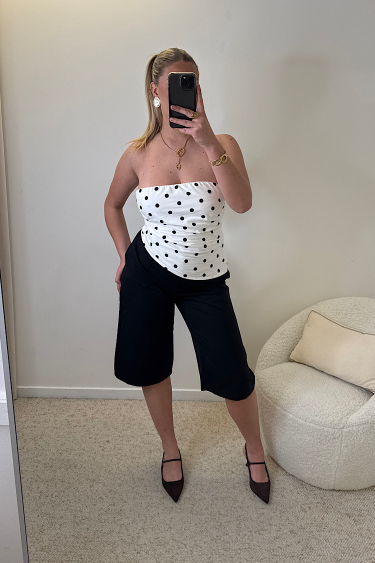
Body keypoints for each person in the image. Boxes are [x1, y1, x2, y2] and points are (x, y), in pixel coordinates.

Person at [104, 47, 270, 503]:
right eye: (178, 82)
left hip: (205, 279)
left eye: (193, 81)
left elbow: (242, 204)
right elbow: (112, 205)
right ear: (156, 92)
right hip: (146, 272)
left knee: (232, 373)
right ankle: (170, 448)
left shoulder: (223, 143)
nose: (188, 90)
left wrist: (209, 142)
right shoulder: (137, 154)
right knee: (151, 364)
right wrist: (124, 256)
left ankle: (255, 450)